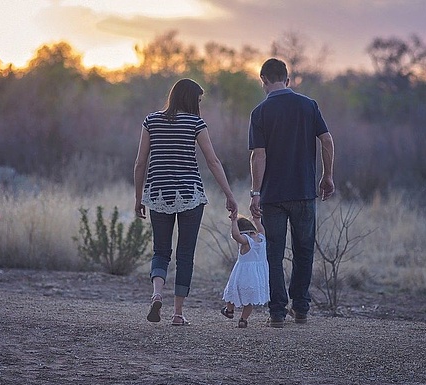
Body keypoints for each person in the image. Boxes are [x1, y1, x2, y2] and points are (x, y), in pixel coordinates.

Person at [134, 78, 238, 326]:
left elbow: (140, 163)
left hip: (158, 194)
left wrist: (139, 198)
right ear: (191, 99)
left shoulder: (151, 121)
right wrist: (229, 194)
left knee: (160, 250)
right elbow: (213, 161)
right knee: (185, 254)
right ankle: (178, 313)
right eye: (199, 100)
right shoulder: (195, 123)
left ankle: (157, 293)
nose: (199, 105)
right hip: (190, 194)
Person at [248, 58, 335, 328]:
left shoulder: (260, 112)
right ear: (287, 79)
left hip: (273, 195)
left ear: (263, 80)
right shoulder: (308, 106)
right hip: (304, 192)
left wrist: (255, 192)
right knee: (304, 250)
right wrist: (327, 175)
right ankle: (301, 308)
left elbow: (258, 156)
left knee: (274, 253)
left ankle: (276, 312)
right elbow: (327, 140)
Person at [221, 214, 270, 328]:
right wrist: (257, 220)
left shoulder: (246, 241)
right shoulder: (261, 238)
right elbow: (261, 229)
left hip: (243, 274)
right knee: (249, 299)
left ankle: (229, 310)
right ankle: (243, 319)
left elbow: (236, 235)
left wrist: (233, 221)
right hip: (257, 276)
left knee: (232, 291)